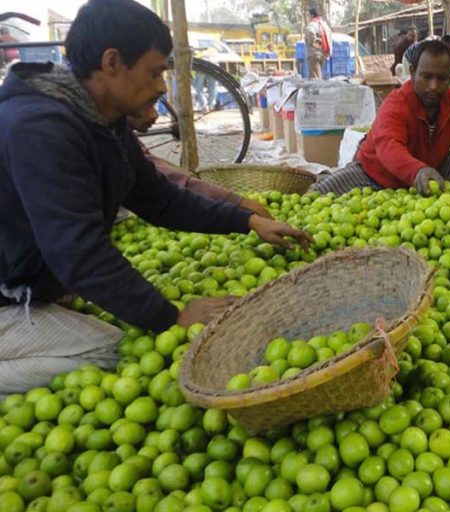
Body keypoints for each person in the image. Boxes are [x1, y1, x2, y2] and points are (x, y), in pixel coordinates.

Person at [0, 0, 312, 395]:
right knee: (115, 353)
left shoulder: (100, 123)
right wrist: (171, 317)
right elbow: (79, 253)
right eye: (154, 72)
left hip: (38, 282)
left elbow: (161, 199)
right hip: (10, 294)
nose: (163, 87)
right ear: (112, 62)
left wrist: (247, 221)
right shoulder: (41, 128)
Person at [310, 40, 450, 196]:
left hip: (428, 167)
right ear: (413, 72)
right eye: (426, 77)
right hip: (377, 172)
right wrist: (417, 171)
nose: (433, 86)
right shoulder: (397, 103)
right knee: (321, 193)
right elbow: (389, 148)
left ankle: (422, 181)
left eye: (442, 78)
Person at [127, 106, 273, 219]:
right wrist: (242, 204)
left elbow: (159, 172)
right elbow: (163, 179)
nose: (155, 114)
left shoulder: (122, 135)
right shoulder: (114, 144)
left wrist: (245, 219)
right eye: (149, 103)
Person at [304, 6, 332, 80]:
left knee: (314, 78)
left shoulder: (312, 24)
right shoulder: (324, 25)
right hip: (323, 54)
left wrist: (313, 42)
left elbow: (310, 32)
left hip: (314, 53)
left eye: (308, 15)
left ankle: (316, 91)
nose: (308, 17)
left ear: (312, 15)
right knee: (318, 74)